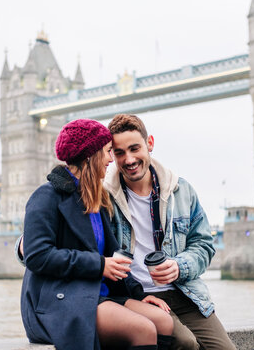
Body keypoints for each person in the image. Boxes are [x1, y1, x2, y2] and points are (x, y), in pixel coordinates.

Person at [20, 119, 174, 350]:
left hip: (97, 295)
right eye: (107, 152)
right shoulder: (46, 196)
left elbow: (114, 259)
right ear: (90, 155)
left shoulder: (95, 200)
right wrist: (98, 265)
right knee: (143, 329)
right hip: (60, 301)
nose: (111, 159)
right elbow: (38, 256)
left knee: (163, 322)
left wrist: (139, 295)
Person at [104, 114, 236, 350]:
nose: (129, 159)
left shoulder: (181, 190)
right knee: (185, 343)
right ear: (111, 155)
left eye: (135, 148)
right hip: (139, 298)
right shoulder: (104, 197)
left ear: (150, 144)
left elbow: (204, 245)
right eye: (120, 153)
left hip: (185, 293)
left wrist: (178, 266)